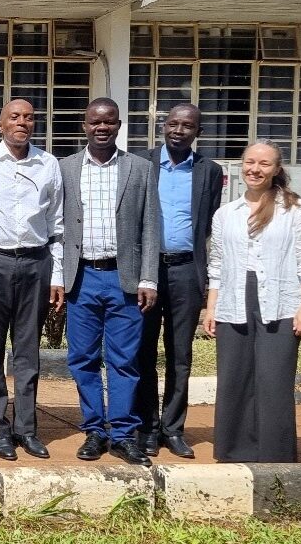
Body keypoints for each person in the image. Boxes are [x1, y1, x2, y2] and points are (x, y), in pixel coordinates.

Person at [204, 140, 301, 463]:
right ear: (242, 165)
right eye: (250, 162)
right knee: (234, 376)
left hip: (281, 301)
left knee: (274, 377)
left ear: (277, 169)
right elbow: (216, 264)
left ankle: (275, 453)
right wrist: (211, 307)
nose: (255, 169)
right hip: (233, 300)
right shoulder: (226, 214)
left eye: (264, 164)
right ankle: (234, 450)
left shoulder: (297, 209)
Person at [59, 98, 160, 466]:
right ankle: (94, 431)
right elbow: (59, 227)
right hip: (82, 277)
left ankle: (122, 433)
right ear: (84, 125)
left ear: (119, 125)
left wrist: (149, 278)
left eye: (109, 122)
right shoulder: (66, 168)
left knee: (124, 360)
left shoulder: (140, 169)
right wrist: (58, 276)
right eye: (94, 122)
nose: (102, 127)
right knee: (82, 359)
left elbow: (152, 226)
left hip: (125, 279)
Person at [0, 99, 63, 461]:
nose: (21, 123)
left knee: (28, 351)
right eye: (14, 117)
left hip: (35, 263)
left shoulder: (48, 164)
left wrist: (57, 274)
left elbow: (57, 224)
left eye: (28, 117)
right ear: (0, 124)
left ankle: (27, 429)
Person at [136, 103, 224, 459]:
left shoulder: (210, 172)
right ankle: (146, 426)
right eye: (173, 123)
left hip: (187, 271)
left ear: (197, 132)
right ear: (163, 126)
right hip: (147, 271)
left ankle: (173, 429)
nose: (178, 130)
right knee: (142, 351)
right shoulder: (141, 163)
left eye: (187, 125)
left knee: (180, 354)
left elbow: (211, 227)